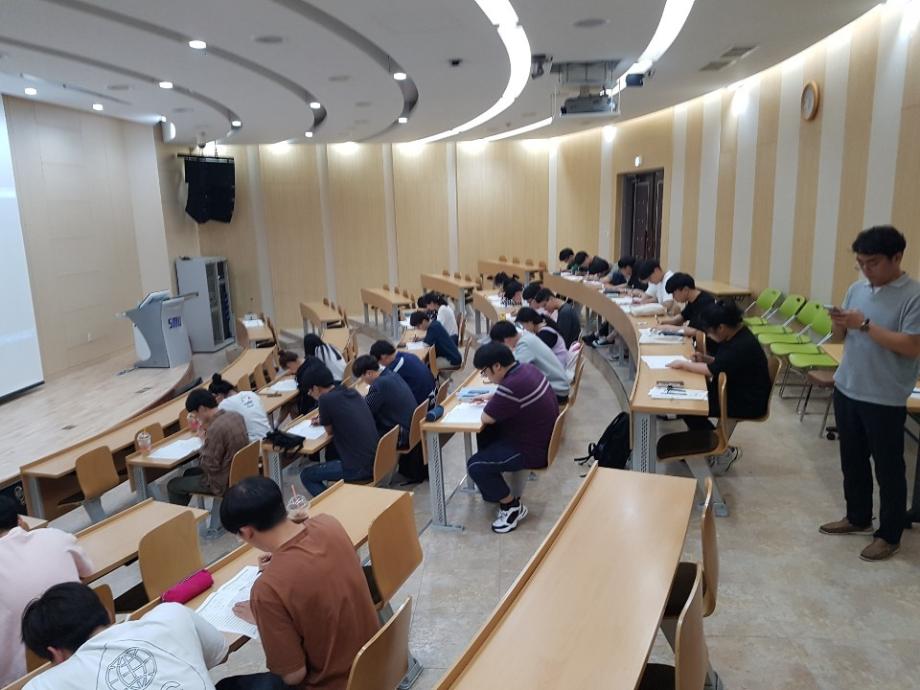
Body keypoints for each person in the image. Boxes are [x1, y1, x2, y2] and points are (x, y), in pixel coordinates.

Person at [819, 226, 920, 562]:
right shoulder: (856, 288)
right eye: (861, 263)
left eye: (873, 263)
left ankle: (889, 535)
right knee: (852, 460)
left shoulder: (914, 295)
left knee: (888, 469)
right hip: (848, 387)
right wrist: (839, 322)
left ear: (897, 257)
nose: (865, 269)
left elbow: (911, 346)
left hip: (884, 396)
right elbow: (841, 337)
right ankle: (857, 516)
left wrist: (864, 324)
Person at [219, 477, 379, 689]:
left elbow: (293, 676)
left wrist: (265, 618)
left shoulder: (267, 589)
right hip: (376, 663)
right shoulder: (328, 523)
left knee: (226, 686)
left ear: (247, 531)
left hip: (336, 684)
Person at [20, 582, 231, 690]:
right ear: (108, 611)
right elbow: (220, 654)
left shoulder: (42, 686)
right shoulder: (171, 614)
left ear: (55, 654)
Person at [667, 301, 772, 473]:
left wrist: (684, 364)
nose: (709, 335)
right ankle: (706, 445)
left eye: (710, 331)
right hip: (736, 390)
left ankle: (722, 450)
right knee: (688, 401)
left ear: (721, 327)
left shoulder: (741, 345)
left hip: (747, 401)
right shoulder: (737, 334)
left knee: (689, 407)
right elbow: (723, 364)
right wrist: (705, 359)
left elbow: (711, 371)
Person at [0, 496, 94, 686]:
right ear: (20, 520)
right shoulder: (56, 536)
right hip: (85, 644)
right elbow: (88, 571)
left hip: (24, 677)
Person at [467, 343, 559, 533]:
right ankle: (495, 489)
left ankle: (511, 507)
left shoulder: (511, 385)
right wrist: (494, 396)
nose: (486, 377)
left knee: (475, 465)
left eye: (485, 372)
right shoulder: (526, 369)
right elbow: (512, 396)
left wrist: (495, 399)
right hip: (541, 436)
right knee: (486, 434)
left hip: (533, 450)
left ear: (497, 366)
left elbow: (486, 418)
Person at [298, 366, 377, 496]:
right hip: (375, 459)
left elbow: (329, 431)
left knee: (306, 475)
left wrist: (324, 416)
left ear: (316, 388)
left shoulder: (324, 400)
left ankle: (331, 503)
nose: (308, 394)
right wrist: (324, 419)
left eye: (309, 390)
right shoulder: (351, 391)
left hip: (358, 468)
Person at [168, 389, 249, 505]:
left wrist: (204, 442)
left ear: (202, 409)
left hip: (223, 482)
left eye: (195, 414)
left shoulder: (215, 429)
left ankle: (183, 516)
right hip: (241, 472)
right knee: (189, 473)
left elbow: (209, 465)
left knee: (173, 485)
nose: (196, 418)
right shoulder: (236, 416)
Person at [489, 321, 570, 403]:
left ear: (506, 340)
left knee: (512, 401)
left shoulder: (524, 344)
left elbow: (513, 371)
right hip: (558, 387)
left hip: (556, 391)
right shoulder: (527, 337)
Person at [352, 354, 416, 446]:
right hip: (411, 427)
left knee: (358, 433)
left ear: (369, 373)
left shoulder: (379, 385)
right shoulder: (391, 374)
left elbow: (365, 411)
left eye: (362, 378)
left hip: (402, 435)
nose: (363, 381)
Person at [369, 339, 435, 405]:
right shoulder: (408, 355)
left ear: (383, 357)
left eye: (379, 363)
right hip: (432, 395)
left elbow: (381, 385)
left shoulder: (396, 368)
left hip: (424, 404)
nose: (381, 365)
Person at [208, 373, 271, 442]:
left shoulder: (223, 404)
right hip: (270, 435)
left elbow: (215, 427)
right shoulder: (251, 394)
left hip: (255, 443)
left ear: (219, 395)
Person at [657, 273, 717, 338]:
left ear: (686, 289)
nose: (673, 297)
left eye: (674, 293)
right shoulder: (692, 300)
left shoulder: (706, 303)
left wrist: (669, 328)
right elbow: (682, 318)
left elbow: (697, 331)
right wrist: (662, 323)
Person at [280, 350, 327, 415]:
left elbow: (304, 393)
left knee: (288, 403)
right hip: (324, 396)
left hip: (314, 406)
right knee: (289, 403)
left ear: (290, 364)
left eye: (289, 368)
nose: (291, 371)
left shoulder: (304, 376)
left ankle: (281, 421)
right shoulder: (312, 359)